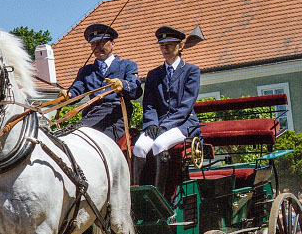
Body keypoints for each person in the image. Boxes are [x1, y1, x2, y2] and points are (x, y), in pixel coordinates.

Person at [133, 26, 202, 192]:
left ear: (180, 46)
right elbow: (149, 104)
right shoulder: (154, 74)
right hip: (158, 125)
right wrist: (151, 124)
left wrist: (165, 126)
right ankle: (139, 194)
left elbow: (186, 106)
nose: (165, 49)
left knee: (159, 144)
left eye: (170, 44)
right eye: (162, 45)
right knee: (139, 147)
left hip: (184, 124)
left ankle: (160, 196)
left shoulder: (191, 71)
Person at [63, 23, 142, 143]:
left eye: (101, 42)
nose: (97, 47)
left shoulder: (127, 65)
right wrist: (67, 95)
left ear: (113, 43)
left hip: (115, 116)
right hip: (91, 116)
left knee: (96, 142)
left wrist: (122, 85)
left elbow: (136, 90)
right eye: (93, 44)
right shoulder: (86, 71)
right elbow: (75, 91)